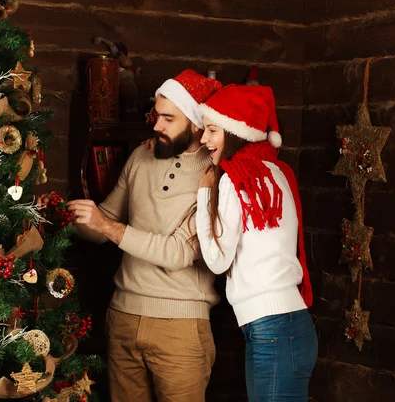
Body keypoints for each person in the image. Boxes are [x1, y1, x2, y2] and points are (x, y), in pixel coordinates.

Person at [67, 70, 221, 402]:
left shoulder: (214, 173)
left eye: (168, 118)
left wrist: (105, 225)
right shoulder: (141, 156)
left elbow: (178, 252)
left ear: (196, 124)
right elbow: (103, 223)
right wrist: (67, 216)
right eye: (156, 115)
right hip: (123, 317)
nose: (156, 126)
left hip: (180, 327)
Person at [196, 83, 317, 401]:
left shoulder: (236, 180)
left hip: (272, 329)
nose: (204, 139)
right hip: (287, 325)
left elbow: (217, 260)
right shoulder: (277, 172)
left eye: (212, 130)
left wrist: (204, 192)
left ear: (234, 132)